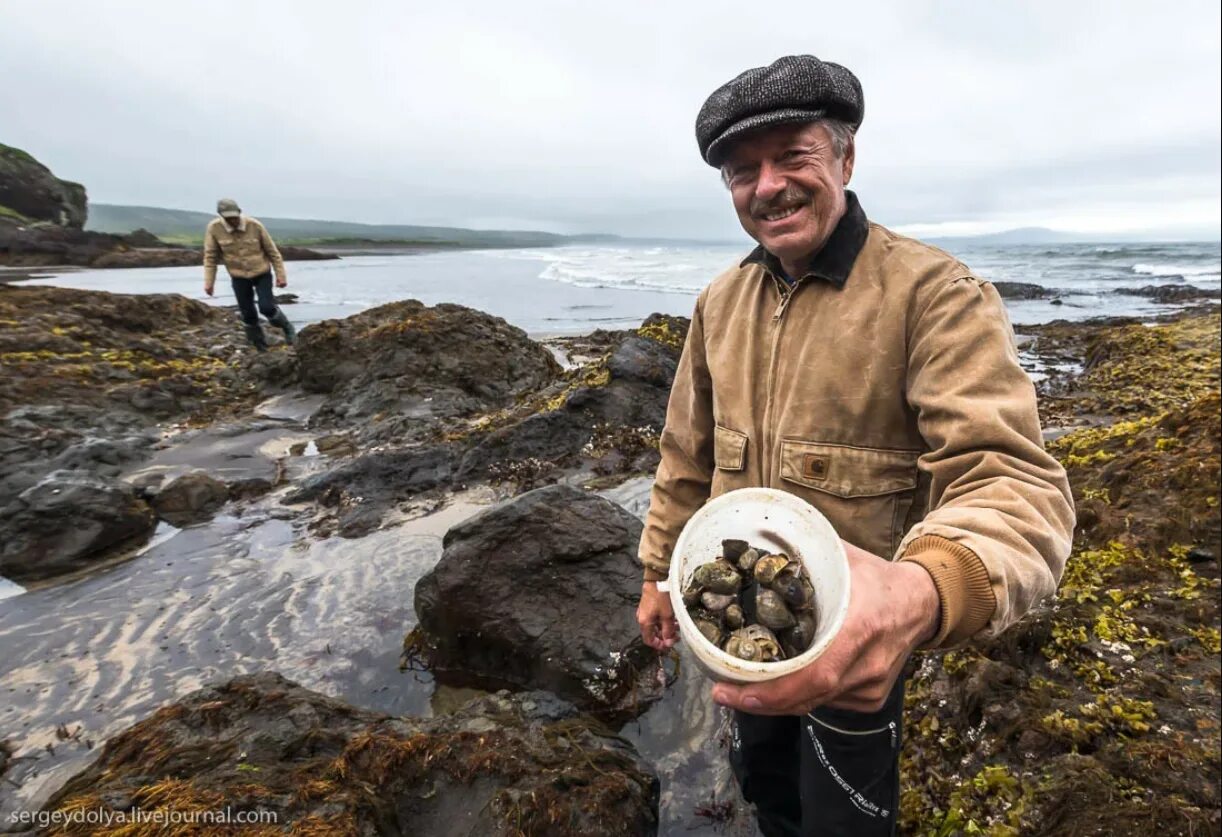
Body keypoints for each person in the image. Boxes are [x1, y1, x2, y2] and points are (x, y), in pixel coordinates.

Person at [635, 55, 1074, 836]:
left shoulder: (933, 294)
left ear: (845, 156)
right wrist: (657, 575)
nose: (766, 185)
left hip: (861, 641)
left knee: (846, 819)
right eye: (742, 170)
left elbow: (1010, 480)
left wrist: (920, 595)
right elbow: (685, 456)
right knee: (766, 788)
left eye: (792, 156)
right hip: (748, 637)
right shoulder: (719, 302)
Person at [203, 198, 296, 351]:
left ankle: (287, 328)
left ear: (239, 212)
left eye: (234, 216)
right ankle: (260, 347)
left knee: (266, 307)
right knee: (248, 314)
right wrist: (209, 282)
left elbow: (273, 252)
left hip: (261, 273)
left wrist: (281, 276)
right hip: (238, 276)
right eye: (228, 218)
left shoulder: (255, 225)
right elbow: (210, 257)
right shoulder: (214, 229)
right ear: (221, 216)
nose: (232, 220)